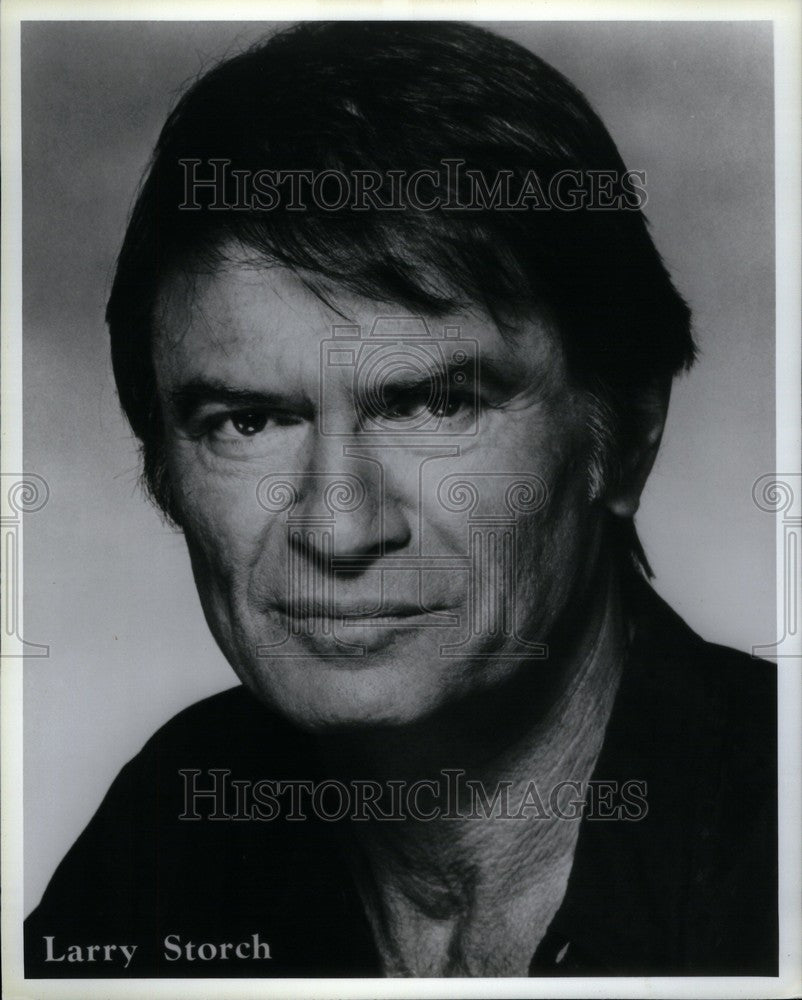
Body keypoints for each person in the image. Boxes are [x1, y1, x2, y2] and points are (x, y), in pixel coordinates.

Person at [24, 20, 776, 978]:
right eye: (248, 421)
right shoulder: (173, 824)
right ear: (163, 466)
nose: (338, 526)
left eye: (432, 403)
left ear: (622, 440)